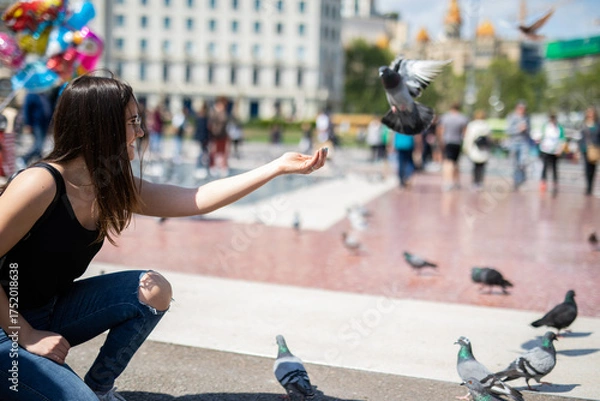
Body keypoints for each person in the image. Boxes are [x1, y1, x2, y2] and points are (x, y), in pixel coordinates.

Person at [0, 73, 328, 401]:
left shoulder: (108, 183)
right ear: (101, 125)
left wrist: (277, 167)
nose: (141, 131)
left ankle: (99, 388)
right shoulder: (40, 184)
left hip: (48, 311)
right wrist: (24, 333)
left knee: (154, 290)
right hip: (7, 331)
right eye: (132, 121)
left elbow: (196, 197)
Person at [437, 102, 469, 191]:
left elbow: (441, 130)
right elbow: (465, 132)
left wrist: (440, 141)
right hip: (458, 142)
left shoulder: (445, 117)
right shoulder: (462, 118)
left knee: (448, 162)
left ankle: (448, 182)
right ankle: (457, 182)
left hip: (448, 141)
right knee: (456, 162)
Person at [462, 109, 492, 191]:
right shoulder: (486, 125)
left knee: (475, 167)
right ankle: (480, 182)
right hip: (484, 150)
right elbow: (489, 139)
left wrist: (466, 148)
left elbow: (469, 138)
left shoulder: (472, 125)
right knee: (482, 167)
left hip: (474, 150)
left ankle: (475, 182)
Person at [21, 91, 53, 165]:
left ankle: (39, 160)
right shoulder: (31, 95)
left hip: (44, 123)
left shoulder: (44, 95)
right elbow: (27, 110)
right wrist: (28, 124)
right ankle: (25, 158)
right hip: (36, 123)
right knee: (38, 145)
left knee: (41, 144)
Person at [537, 113, 565, 195]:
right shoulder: (546, 126)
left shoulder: (559, 128)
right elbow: (541, 137)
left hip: (555, 151)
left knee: (554, 168)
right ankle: (543, 182)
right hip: (545, 150)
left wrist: (560, 149)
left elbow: (562, 139)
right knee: (545, 167)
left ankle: (555, 184)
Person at [506, 101, 531, 191]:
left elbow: (529, 131)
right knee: (515, 163)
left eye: (523, 109)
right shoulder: (512, 117)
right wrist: (518, 129)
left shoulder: (527, 117)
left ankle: (522, 180)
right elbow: (508, 130)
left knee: (523, 163)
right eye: (520, 108)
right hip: (514, 143)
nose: (522, 110)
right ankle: (516, 182)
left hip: (524, 143)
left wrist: (526, 129)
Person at [208, 96, 231, 176]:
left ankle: (223, 167)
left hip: (223, 135)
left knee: (223, 151)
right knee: (214, 151)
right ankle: (213, 166)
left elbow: (226, 122)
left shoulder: (224, 112)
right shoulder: (213, 111)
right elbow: (211, 122)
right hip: (215, 135)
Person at [580, 106, 600, 196]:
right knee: (587, 168)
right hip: (585, 148)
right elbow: (580, 137)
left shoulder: (597, 124)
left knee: (593, 168)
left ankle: (591, 186)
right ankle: (588, 187)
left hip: (595, 148)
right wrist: (580, 147)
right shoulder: (584, 124)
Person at [194, 102, 211, 178]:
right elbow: (201, 129)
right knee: (201, 154)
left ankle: (202, 168)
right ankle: (199, 168)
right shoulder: (202, 118)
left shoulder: (203, 117)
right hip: (202, 138)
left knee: (203, 154)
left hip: (203, 138)